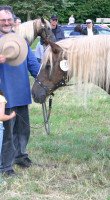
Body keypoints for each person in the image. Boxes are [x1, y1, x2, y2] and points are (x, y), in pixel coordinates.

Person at [0, 5, 41, 176]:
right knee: (8, 133)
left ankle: (20, 156)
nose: (6, 22)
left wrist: (44, 79)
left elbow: (32, 64)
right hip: (4, 94)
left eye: (9, 19)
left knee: (23, 129)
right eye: (2, 20)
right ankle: (5, 166)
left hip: (22, 93)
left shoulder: (22, 41)